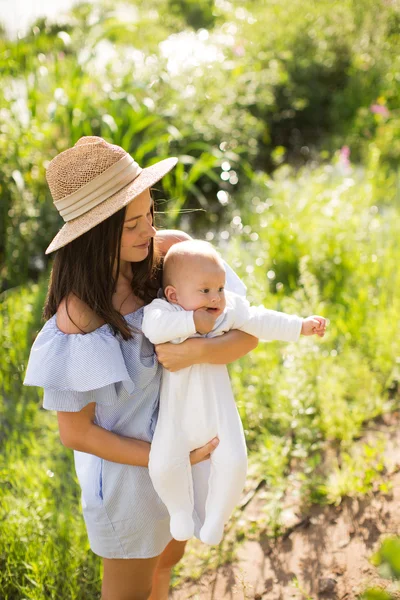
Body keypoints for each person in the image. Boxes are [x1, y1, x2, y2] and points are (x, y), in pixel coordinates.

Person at [23, 136, 258, 600]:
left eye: (150, 214)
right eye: (132, 224)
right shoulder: (80, 316)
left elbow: (249, 332)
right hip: (130, 478)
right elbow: (76, 434)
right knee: (131, 585)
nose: (149, 231)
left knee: (168, 562)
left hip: (181, 455)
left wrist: (197, 352)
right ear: (95, 232)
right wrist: (167, 457)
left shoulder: (173, 261)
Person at [142, 240, 327, 546]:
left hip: (218, 412)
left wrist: (300, 327)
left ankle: (217, 517)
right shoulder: (165, 310)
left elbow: (260, 319)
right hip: (177, 417)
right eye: (205, 291)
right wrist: (191, 321)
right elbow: (153, 327)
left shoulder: (225, 311)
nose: (216, 297)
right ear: (174, 294)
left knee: (235, 461)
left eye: (220, 288)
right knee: (162, 464)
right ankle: (180, 511)